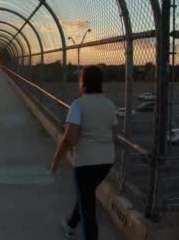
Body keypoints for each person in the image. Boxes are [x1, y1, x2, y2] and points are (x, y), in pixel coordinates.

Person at [50, 65, 118, 240]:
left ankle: (81, 231)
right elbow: (114, 135)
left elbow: (69, 138)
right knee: (85, 194)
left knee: (88, 208)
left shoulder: (78, 104)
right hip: (106, 161)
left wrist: (56, 160)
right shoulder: (109, 105)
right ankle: (71, 224)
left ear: (83, 82)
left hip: (86, 163)